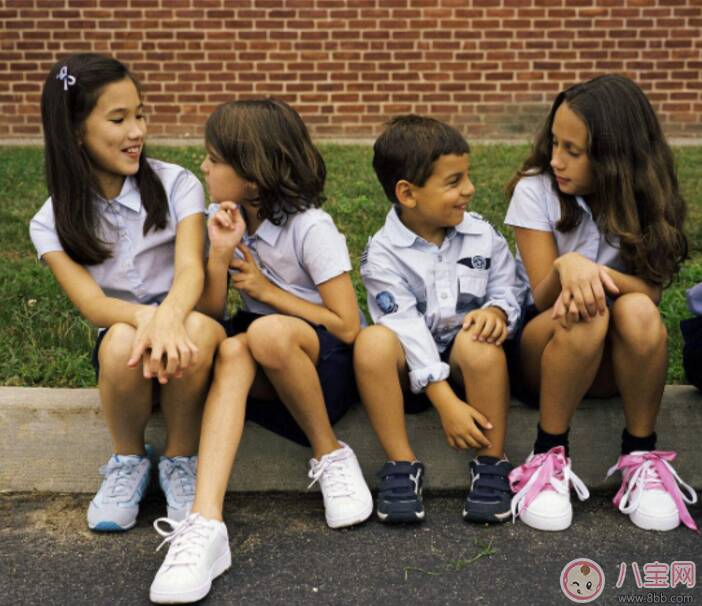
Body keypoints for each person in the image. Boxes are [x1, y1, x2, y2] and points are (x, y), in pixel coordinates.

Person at [149, 99, 372, 604]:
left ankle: (330, 453)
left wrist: (268, 293)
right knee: (232, 350)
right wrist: (221, 253)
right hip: (258, 350)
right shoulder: (225, 217)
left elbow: (348, 325)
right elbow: (208, 311)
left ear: (252, 176)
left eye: (213, 158)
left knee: (266, 333)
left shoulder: (310, 227)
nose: (202, 166)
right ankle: (205, 525)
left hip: (321, 361)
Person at [29, 54, 224, 532]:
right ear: (75, 131)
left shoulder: (179, 185)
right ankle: (128, 461)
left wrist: (169, 318)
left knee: (195, 327)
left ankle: (180, 459)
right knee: (116, 340)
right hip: (126, 348)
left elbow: (189, 273)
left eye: (139, 114)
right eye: (118, 119)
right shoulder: (49, 221)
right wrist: (147, 321)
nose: (136, 130)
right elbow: (94, 305)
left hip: (188, 332)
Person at [504, 74, 697, 532]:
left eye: (573, 150)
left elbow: (650, 291)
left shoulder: (645, 198)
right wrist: (566, 265)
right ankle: (547, 456)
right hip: (546, 353)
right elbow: (541, 296)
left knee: (638, 310)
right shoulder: (535, 190)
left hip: (615, 362)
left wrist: (595, 273)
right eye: (554, 143)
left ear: (616, 157)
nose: (556, 159)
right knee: (584, 311)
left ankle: (640, 455)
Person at [354, 115, 523, 525]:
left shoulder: (482, 233)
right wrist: (443, 398)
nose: (469, 189)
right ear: (408, 194)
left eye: (467, 177)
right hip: (410, 370)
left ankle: (491, 463)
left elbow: (510, 286)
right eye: (454, 181)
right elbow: (404, 328)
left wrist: (497, 312)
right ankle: (401, 465)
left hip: (473, 366)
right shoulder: (382, 253)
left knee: (478, 341)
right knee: (373, 343)